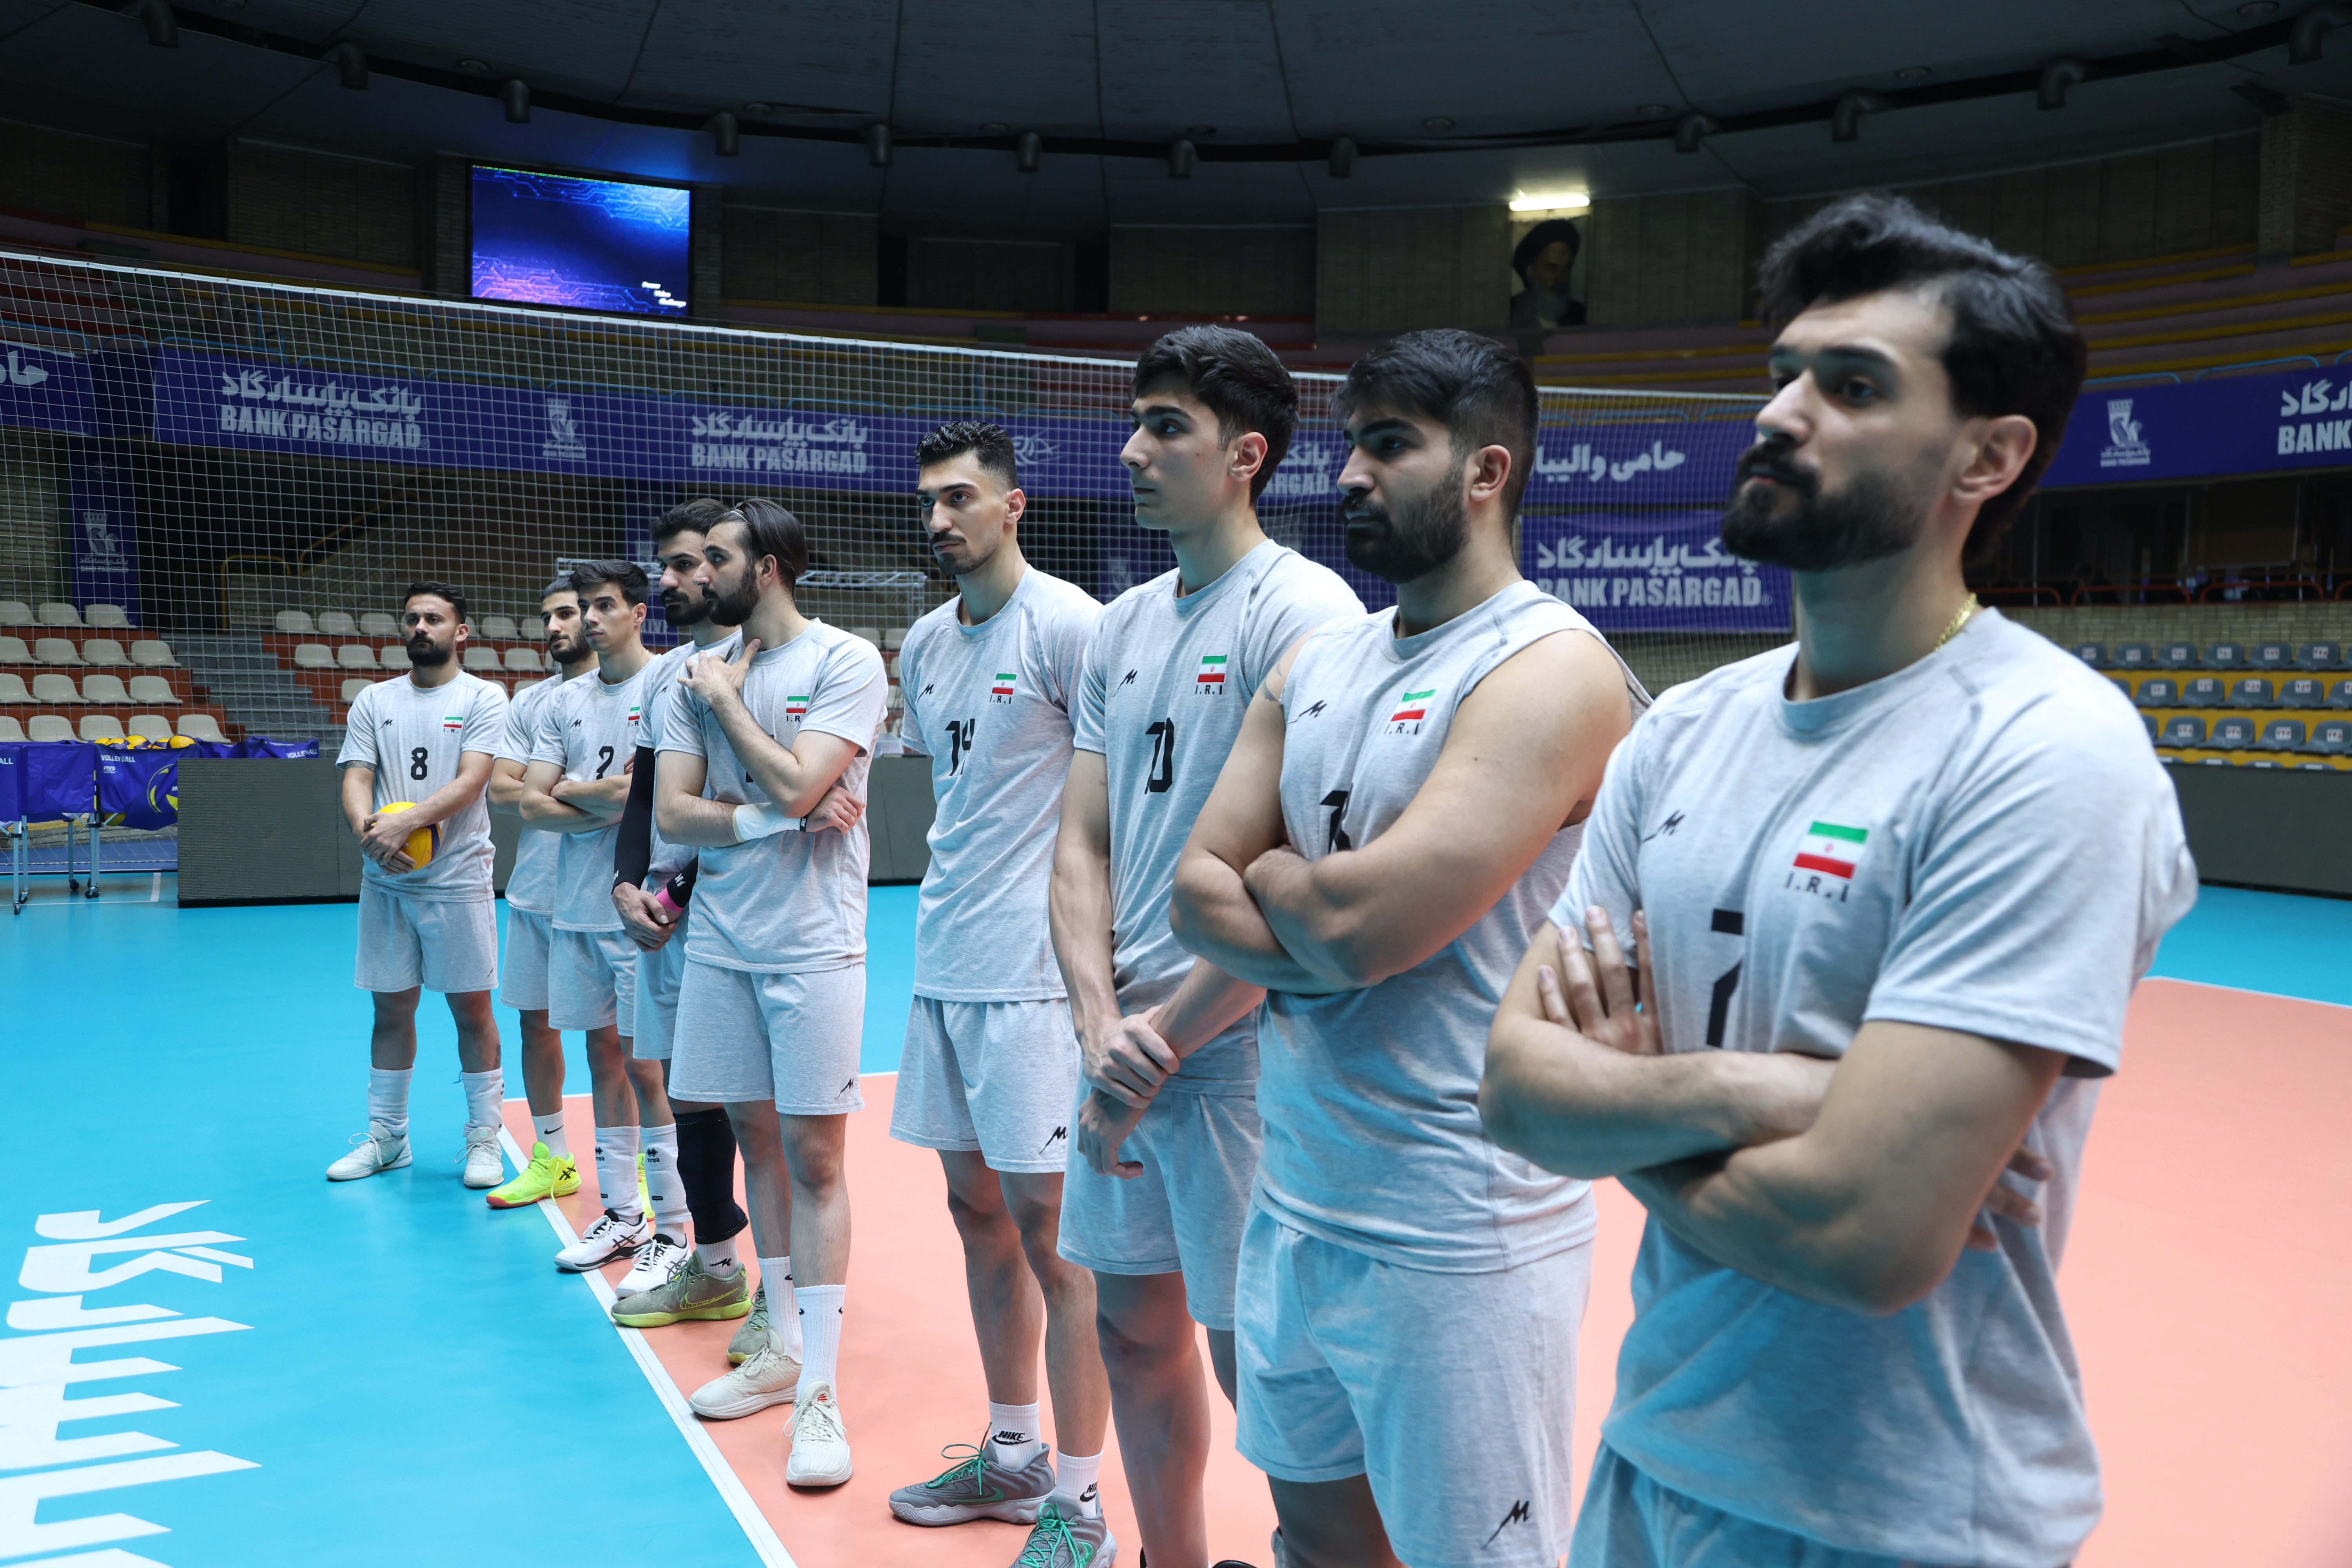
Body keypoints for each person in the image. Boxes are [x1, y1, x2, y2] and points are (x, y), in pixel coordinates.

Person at [1479, 194, 2197, 1568]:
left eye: (1852, 387)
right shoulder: (1678, 733)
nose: (1780, 413)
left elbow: (1868, 1235)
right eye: (1784, 374)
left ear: (1988, 455)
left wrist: (1623, 1113)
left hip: (1904, 1515)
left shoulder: (2045, 751)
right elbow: (1514, 1091)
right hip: (1650, 1460)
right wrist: (1785, 1094)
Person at [1158, 329, 1643, 1568]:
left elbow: (1363, 929)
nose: (1349, 475)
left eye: (1388, 445)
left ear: (1486, 470)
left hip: (1457, 1228)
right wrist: (1320, 918)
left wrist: (1281, 880)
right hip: (1295, 1193)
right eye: (1349, 445)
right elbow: (1193, 895)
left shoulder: (1550, 667)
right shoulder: (1319, 660)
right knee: (1315, 1539)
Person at [1051, 325, 1364, 1568]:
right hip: (1119, 1044)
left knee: (1266, 1369)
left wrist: (1159, 1044)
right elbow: (1080, 843)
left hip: (1232, 1049)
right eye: (1135, 422)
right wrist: (1097, 1028)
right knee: (1131, 1333)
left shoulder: (1306, 610)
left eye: (1166, 427)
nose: (1133, 450)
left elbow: (1295, 881)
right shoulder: (1121, 624)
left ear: (1245, 456)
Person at [881, 423, 1113, 1564]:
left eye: (961, 497)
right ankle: (1014, 1452)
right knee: (975, 1216)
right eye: (928, 500)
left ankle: (1082, 1500)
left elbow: (1112, 808)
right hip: (945, 966)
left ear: (1015, 505)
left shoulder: (1071, 625)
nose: (939, 519)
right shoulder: (926, 643)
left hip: (1033, 983)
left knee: (1056, 1241)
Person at [655, 498, 889, 1488]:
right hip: (722, 943)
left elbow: (801, 783)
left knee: (815, 1158)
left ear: (770, 567)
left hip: (815, 947)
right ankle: (783, 1344)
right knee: (757, 1142)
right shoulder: (689, 675)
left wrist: (731, 711)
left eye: (716, 557)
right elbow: (676, 815)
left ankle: (820, 1389)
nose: (694, 573)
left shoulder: (845, 661)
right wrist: (773, 814)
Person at [607, 499, 778, 1359]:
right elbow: (646, 793)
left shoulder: (768, 659)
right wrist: (625, 881)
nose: (670, 580)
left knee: (759, 1112)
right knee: (687, 1093)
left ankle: (785, 1294)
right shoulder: (666, 674)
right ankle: (715, 1266)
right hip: (667, 915)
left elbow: (777, 801)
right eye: (668, 565)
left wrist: (677, 892)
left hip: (740, 913)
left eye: (685, 564)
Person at [519, 561, 679, 1284]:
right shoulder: (563, 700)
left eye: (605, 605)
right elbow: (531, 804)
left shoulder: (667, 683)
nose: (589, 618)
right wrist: (610, 796)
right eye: (584, 606)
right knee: (602, 1060)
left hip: (640, 908)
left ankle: (674, 1226)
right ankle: (622, 1215)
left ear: (640, 613)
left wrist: (577, 791)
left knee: (648, 1066)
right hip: (576, 908)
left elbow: (654, 796)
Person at [327, 582, 509, 1187]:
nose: (421, 628)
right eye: (412, 619)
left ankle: (484, 1138)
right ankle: (388, 1138)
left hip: (458, 882)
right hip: (388, 882)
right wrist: (368, 832)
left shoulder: (484, 696)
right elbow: (357, 776)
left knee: (472, 1012)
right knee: (390, 1010)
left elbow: (473, 781)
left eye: (434, 618)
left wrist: (405, 823)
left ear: (461, 631)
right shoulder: (374, 699)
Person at [483, 575, 598, 1210]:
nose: (553, 626)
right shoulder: (529, 703)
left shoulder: (635, 691)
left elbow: (642, 788)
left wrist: (544, 790)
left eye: (566, 613)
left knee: (617, 1042)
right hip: (536, 890)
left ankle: (639, 1167)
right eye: (547, 615)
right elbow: (503, 790)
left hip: (607, 891)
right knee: (536, 1025)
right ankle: (553, 1159)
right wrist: (590, 793)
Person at [1508, 217, 1586, 336]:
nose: (1561, 278)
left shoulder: (1581, 315)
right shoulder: (1509, 313)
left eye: (1567, 268)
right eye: (1551, 268)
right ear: (1530, 272)